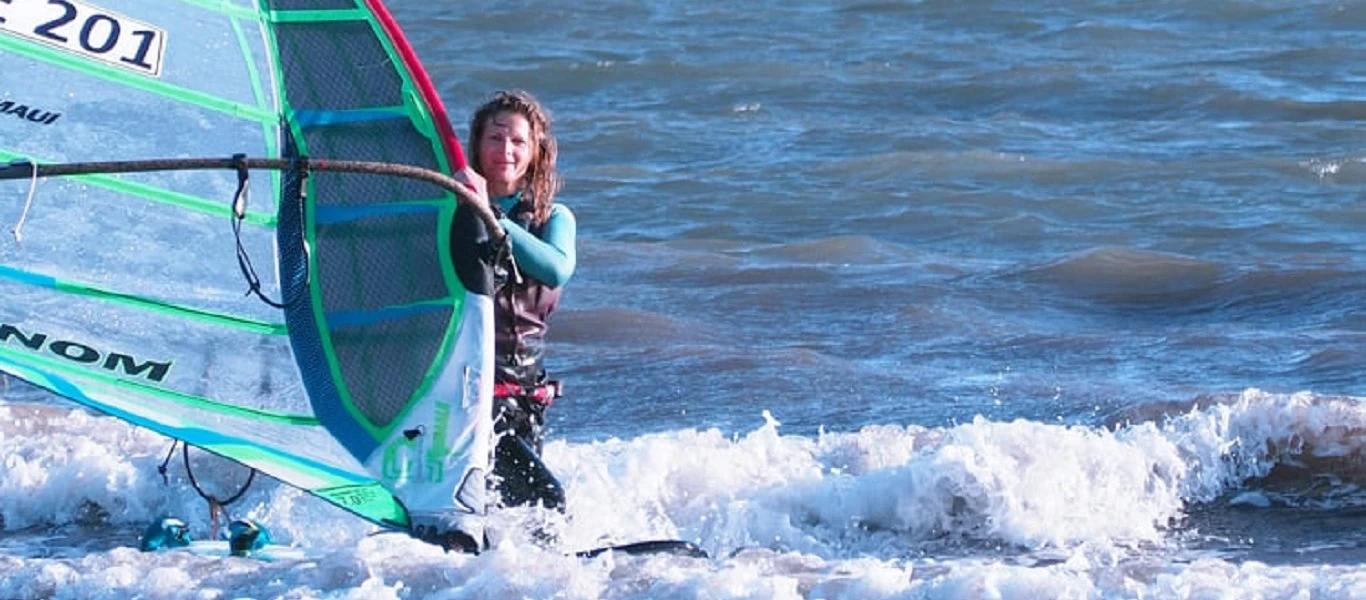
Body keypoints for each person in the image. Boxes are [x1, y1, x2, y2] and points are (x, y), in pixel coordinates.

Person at [451, 90, 577, 514]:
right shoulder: (452, 210)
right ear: (478, 144)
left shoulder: (552, 218)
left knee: (510, 512)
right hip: (469, 392)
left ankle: (495, 576)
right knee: (546, 503)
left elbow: (556, 269)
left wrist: (492, 215)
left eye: (518, 141)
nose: (506, 149)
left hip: (525, 395)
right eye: (495, 138)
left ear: (535, 151)